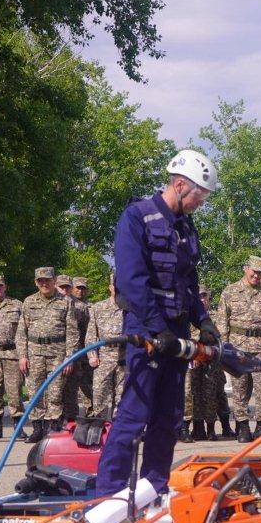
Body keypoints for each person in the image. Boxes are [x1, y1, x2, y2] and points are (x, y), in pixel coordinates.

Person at [96, 149, 220, 497]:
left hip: (177, 331)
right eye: (199, 195)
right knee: (134, 416)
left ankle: (153, 489)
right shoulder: (137, 217)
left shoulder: (185, 226)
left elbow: (188, 282)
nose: (201, 203)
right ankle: (108, 495)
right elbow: (132, 281)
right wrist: (157, 329)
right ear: (180, 185)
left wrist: (204, 321)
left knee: (168, 418)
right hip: (145, 329)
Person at [215, 256, 261, 443]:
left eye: (260, 273)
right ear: (245, 269)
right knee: (240, 388)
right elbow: (222, 321)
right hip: (237, 345)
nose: (256, 276)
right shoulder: (230, 291)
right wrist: (225, 348)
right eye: (254, 272)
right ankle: (242, 426)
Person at [16, 267, 78, 443]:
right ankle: (37, 429)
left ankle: (52, 430)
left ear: (54, 280)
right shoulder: (28, 302)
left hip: (57, 353)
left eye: (48, 280)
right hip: (34, 353)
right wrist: (22, 355)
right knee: (35, 391)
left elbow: (72, 332)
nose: (44, 283)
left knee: (55, 393)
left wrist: (69, 358)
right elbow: (21, 332)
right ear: (36, 282)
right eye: (40, 281)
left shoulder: (65, 302)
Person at [0, 275, 25, 440]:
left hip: (12, 354)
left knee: (15, 391)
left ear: (5, 287)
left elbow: (24, 330)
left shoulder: (17, 305)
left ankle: (18, 428)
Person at [183, 287, 223, 442]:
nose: (201, 299)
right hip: (191, 360)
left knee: (210, 394)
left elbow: (220, 339)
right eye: (198, 297)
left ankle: (211, 429)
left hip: (210, 361)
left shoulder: (215, 317)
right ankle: (191, 428)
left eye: (204, 296)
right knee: (190, 394)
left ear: (208, 298)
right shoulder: (188, 316)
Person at [86, 273, 126, 421]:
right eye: (115, 286)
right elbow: (91, 335)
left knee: (123, 394)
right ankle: (100, 427)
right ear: (110, 287)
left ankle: (119, 428)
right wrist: (92, 355)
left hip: (124, 355)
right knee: (100, 393)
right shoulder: (98, 307)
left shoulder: (130, 308)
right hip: (104, 356)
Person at [61, 277, 92, 422]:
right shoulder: (59, 304)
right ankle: (59, 420)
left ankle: (82, 419)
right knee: (59, 388)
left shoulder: (83, 308)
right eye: (77, 287)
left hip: (80, 353)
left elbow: (87, 332)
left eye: (83, 288)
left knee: (80, 388)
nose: (80, 290)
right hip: (59, 352)